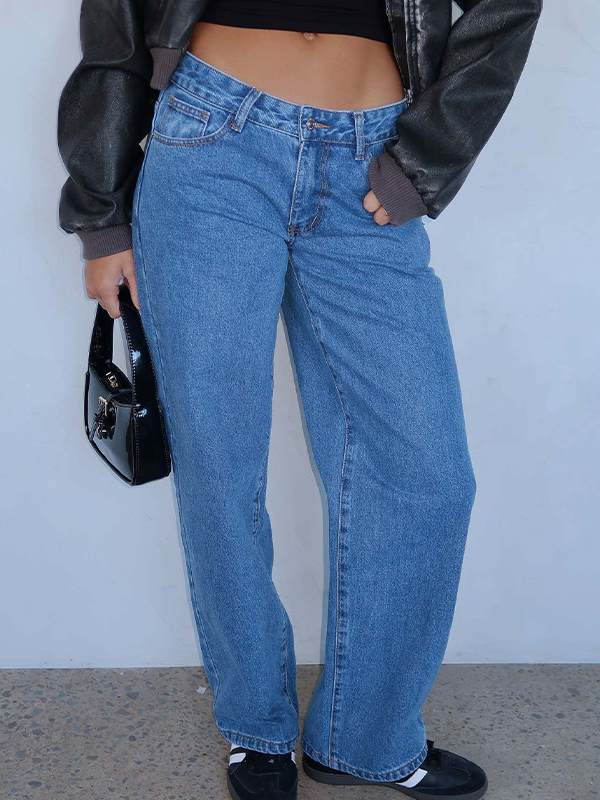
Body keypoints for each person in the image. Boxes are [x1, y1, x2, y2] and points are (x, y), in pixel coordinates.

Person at [57, 2, 542, 799]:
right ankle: (257, 730)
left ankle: (366, 738)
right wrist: (102, 218)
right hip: (210, 142)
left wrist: (428, 156)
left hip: (371, 156)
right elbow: (116, 23)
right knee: (221, 466)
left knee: (427, 473)